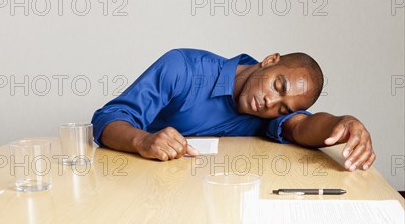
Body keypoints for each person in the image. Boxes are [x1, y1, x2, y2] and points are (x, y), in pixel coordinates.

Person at [92, 48, 375, 171]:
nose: (270, 103)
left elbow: (302, 127)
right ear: (270, 60)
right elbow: (106, 119)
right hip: (138, 178)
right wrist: (143, 140)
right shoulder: (183, 67)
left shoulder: (269, 115)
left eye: (283, 107)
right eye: (277, 86)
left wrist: (345, 123)